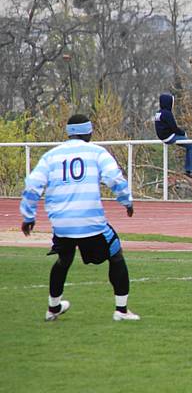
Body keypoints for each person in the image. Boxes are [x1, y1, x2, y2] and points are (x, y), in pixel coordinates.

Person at [20, 114, 140, 322]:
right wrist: (126, 201)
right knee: (116, 255)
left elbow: (32, 185)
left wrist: (28, 216)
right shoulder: (97, 153)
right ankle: (121, 311)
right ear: (89, 132)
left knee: (64, 259)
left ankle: (53, 308)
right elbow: (113, 178)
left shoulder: (51, 156)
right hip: (90, 222)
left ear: (68, 133)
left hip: (61, 223)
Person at [154, 93, 192, 176]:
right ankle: (191, 170)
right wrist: (183, 133)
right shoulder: (167, 113)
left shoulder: (158, 113)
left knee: (189, 145)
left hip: (163, 137)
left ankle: (189, 169)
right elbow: (174, 127)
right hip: (169, 137)